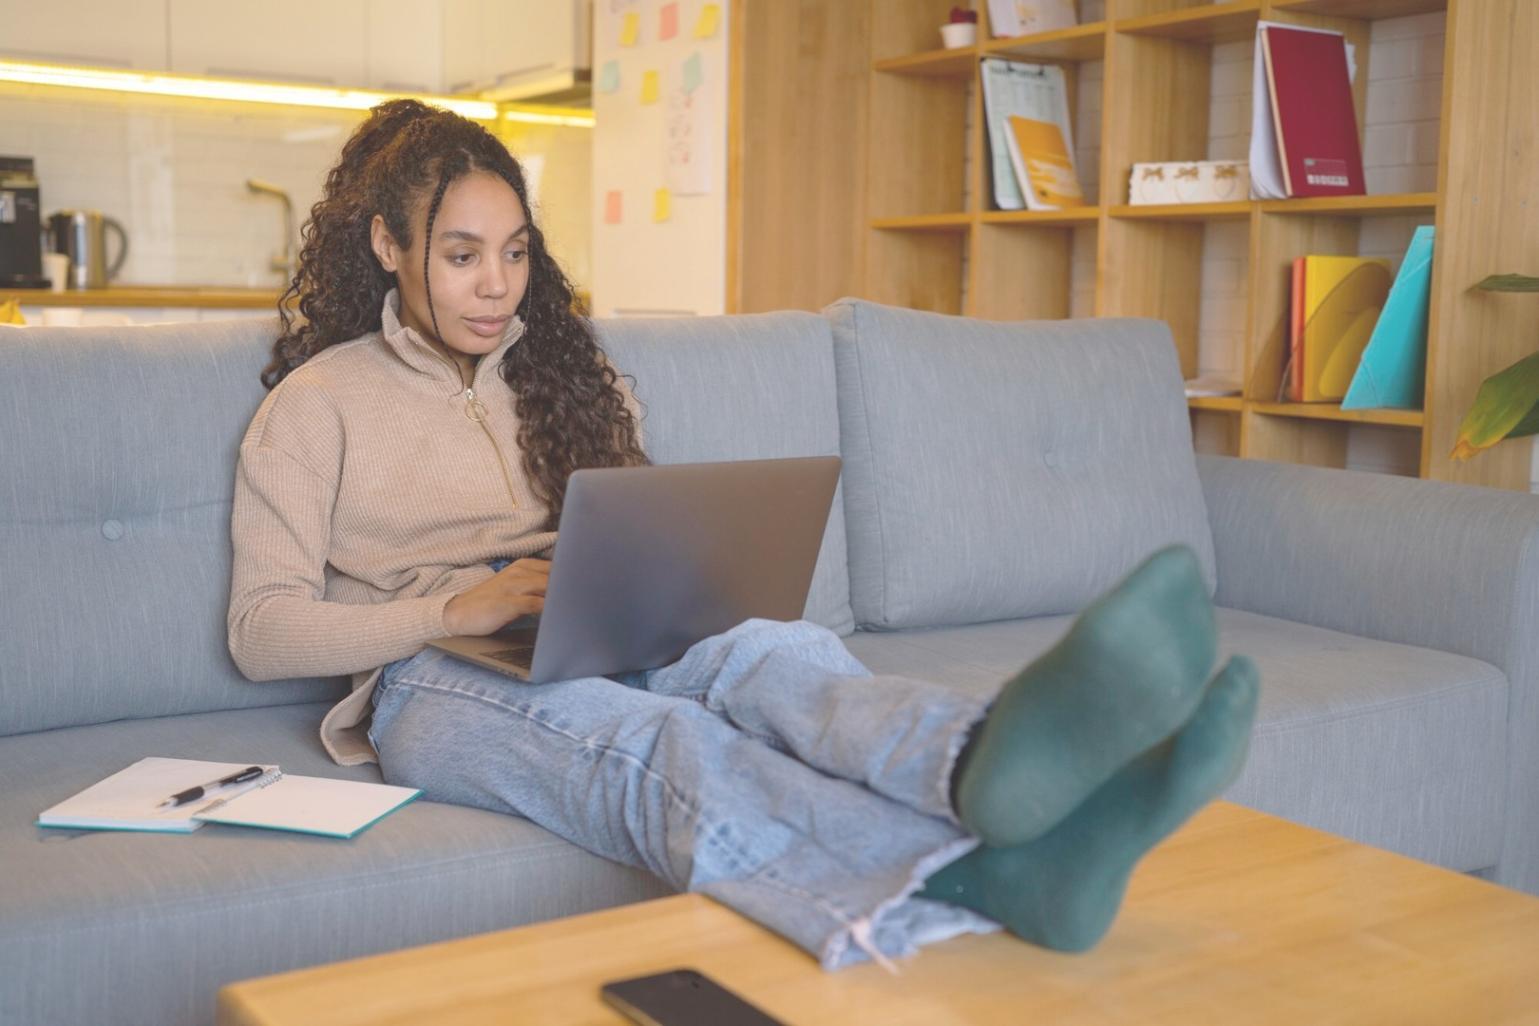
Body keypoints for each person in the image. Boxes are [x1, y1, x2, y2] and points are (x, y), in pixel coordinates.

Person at [228, 99, 1259, 970]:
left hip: (584, 622)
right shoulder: (318, 404)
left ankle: (981, 757)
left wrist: (659, 573)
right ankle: (993, 872)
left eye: (514, 253)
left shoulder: (558, 374)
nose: (497, 286)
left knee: (780, 652)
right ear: (387, 247)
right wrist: (455, 608)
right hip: (428, 681)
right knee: (662, 739)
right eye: (461, 257)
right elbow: (263, 631)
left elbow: (624, 528)